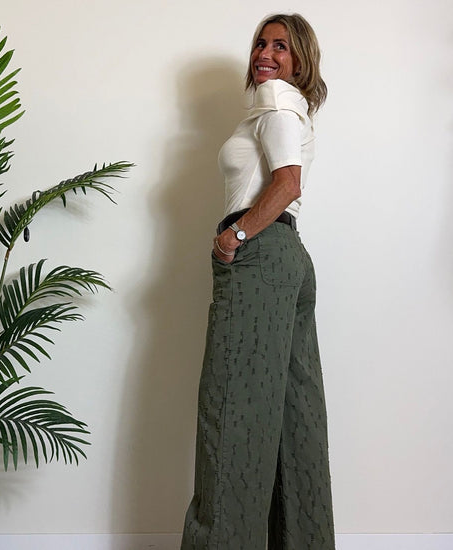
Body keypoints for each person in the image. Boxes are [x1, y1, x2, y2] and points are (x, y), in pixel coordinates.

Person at [180, 13, 335, 550]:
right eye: (261, 44)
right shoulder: (288, 107)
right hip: (289, 259)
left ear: (300, 60)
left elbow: (287, 183)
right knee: (295, 419)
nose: (265, 54)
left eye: (281, 47)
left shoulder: (274, 101)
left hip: (260, 257)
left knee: (231, 416)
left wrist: (235, 237)